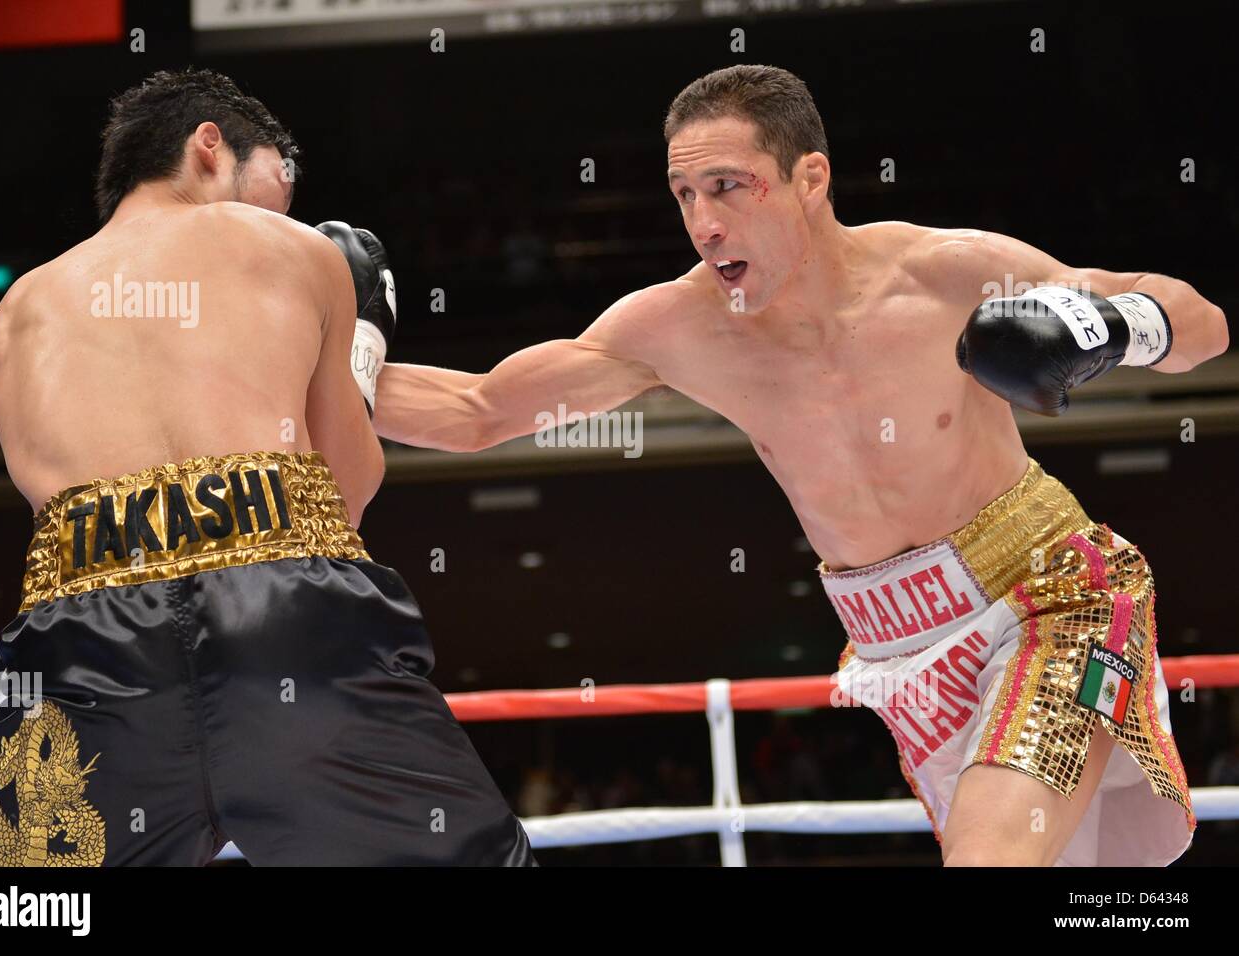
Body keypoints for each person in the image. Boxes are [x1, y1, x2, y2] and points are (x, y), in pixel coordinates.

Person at [373, 64, 1230, 866]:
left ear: (810, 179)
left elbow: (1204, 326)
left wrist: (1115, 328)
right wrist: (332, 359)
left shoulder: (942, 274)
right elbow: (480, 412)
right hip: (901, 645)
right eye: (684, 195)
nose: (704, 224)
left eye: (729, 187)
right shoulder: (679, 327)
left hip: (1050, 596)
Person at [0, 68, 533, 866]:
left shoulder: (13, 318)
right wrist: (362, 348)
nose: (283, 208)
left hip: (89, 657)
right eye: (276, 182)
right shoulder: (296, 251)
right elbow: (345, 494)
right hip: (286, 622)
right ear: (209, 147)